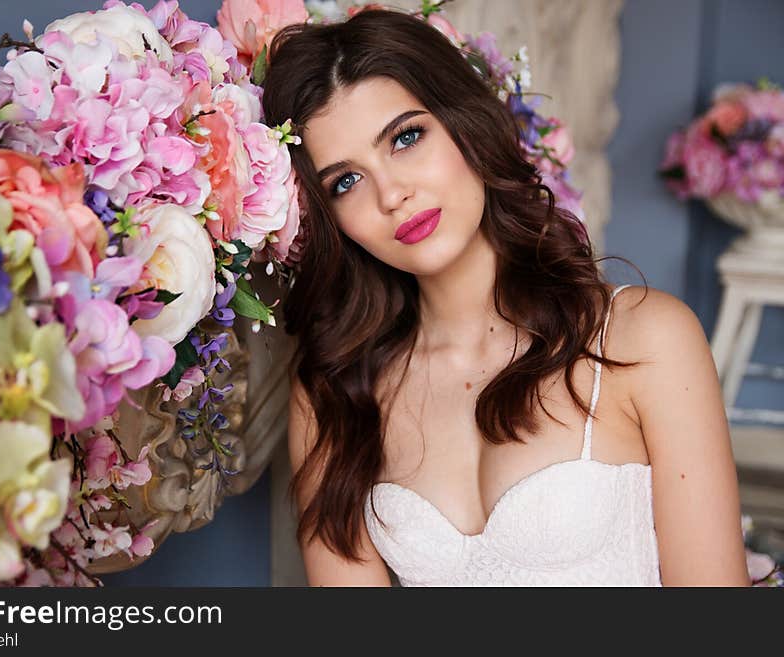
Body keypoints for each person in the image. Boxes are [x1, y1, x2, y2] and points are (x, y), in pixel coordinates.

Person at [260, 8, 750, 586]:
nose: (391, 194)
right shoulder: (333, 394)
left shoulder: (645, 337)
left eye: (406, 138)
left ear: (467, 125)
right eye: (346, 181)